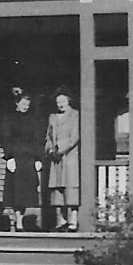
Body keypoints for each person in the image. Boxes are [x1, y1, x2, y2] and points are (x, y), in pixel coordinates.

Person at [0, 87, 42, 232]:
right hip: (16, 158)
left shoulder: (33, 121)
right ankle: (17, 222)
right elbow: (6, 138)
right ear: (17, 103)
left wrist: (38, 158)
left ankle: (21, 221)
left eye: (27, 105)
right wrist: (9, 157)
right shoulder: (9, 118)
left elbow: (37, 140)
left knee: (25, 193)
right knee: (16, 192)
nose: (25, 107)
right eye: (23, 104)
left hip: (28, 159)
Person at [44, 88, 81, 231]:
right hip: (56, 158)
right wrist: (51, 150)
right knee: (56, 188)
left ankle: (73, 220)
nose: (60, 104)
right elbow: (48, 136)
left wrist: (61, 148)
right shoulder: (52, 117)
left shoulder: (75, 115)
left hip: (69, 156)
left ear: (69, 101)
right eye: (58, 102)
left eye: (63, 101)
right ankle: (61, 220)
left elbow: (75, 137)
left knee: (71, 187)